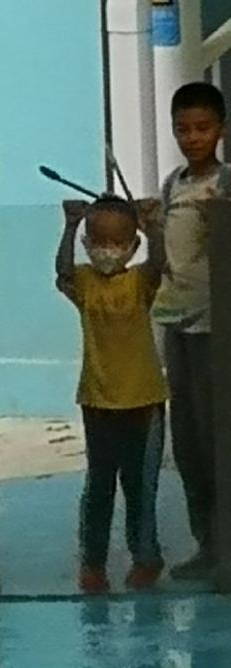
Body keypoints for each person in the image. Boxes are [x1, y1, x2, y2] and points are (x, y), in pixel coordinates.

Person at [56, 195, 168, 593]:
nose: (107, 249)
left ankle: (146, 557)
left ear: (133, 245)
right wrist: (70, 225)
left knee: (141, 487)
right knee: (98, 486)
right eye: (98, 240)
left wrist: (153, 227)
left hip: (144, 401)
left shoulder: (139, 282)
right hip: (98, 401)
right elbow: (63, 272)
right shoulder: (84, 282)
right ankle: (93, 563)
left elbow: (159, 265)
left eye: (118, 242)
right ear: (87, 242)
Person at [151, 82, 231, 581]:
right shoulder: (171, 185)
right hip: (174, 323)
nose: (193, 138)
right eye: (183, 129)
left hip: (217, 327)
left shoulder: (226, 184)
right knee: (188, 442)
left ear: (221, 129)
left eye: (203, 128)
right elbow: (165, 254)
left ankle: (228, 547)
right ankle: (207, 543)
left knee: (219, 436)